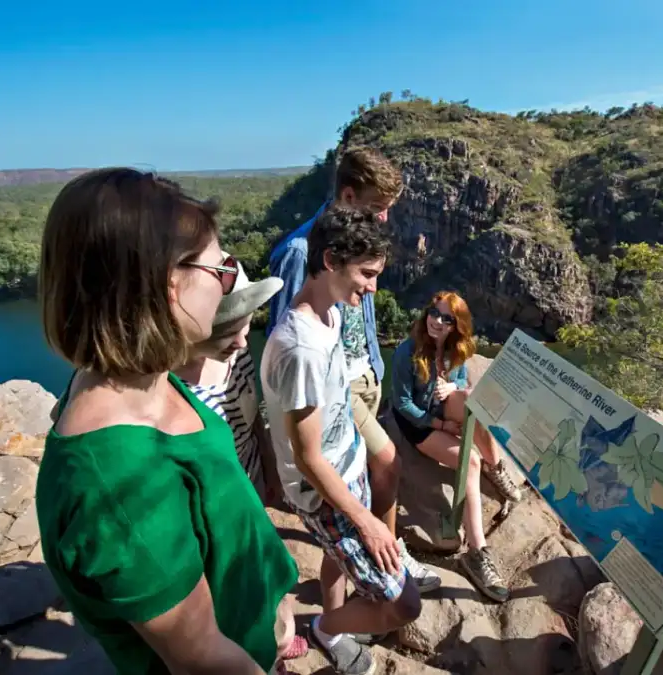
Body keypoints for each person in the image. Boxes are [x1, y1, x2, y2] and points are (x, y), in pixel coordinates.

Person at [36, 168, 299, 675]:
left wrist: (276, 602)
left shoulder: (150, 377)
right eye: (220, 272)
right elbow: (200, 658)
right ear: (164, 283)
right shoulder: (118, 485)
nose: (228, 285)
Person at [267, 146, 439, 594]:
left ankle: (347, 573)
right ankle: (385, 553)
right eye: (377, 208)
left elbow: (357, 310)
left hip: (364, 378)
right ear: (348, 194)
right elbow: (291, 338)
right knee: (386, 462)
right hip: (333, 389)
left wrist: (375, 369)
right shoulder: (301, 250)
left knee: (362, 476)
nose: (384, 219)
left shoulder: (359, 245)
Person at [262, 205, 422, 675]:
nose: (373, 287)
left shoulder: (329, 315)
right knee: (404, 604)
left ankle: (333, 626)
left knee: (340, 564)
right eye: (367, 274)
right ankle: (327, 629)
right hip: (327, 493)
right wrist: (369, 522)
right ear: (330, 260)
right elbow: (308, 458)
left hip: (348, 468)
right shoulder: (300, 348)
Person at [390, 291, 523, 603]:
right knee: (470, 463)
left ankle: (498, 468)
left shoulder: (456, 351)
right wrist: (441, 426)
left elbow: (461, 386)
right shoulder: (407, 352)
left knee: (470, 401)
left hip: (442, 411)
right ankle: (477, 552)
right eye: (433, 313)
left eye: (446, 318)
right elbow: (402, 403)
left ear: (456, 325)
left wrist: (453, 388)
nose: (437, 321)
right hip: (419, 424)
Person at [174, 257, 285, 506]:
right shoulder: (174, 393)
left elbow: (253, 415)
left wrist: (269, 466)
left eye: (244, 327)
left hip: (251, 474)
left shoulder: (237, 356)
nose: (242, 343)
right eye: (225, 332)